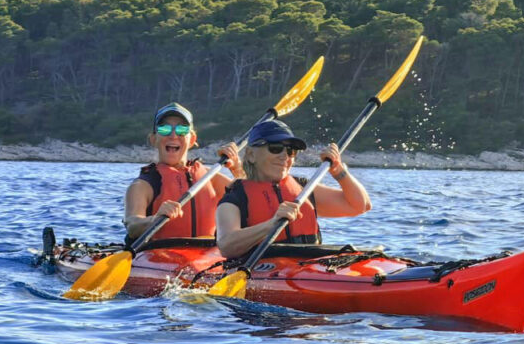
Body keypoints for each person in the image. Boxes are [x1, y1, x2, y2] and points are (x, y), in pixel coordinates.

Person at [215, 118, 371, 258]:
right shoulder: (235, 198)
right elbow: (227, 246)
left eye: (291, 151)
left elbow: (360, 205)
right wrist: (271, 224)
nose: (285, 156)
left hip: (310, 269)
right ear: (251, 155)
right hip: (261, 270)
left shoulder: (304, 189)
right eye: (275, 148)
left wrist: (338, 170)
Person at [123, 102, 243, 244]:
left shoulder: (209, 178)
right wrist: (155, 219)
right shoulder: (142, 185)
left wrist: (237, 169)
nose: (173, 135)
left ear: (192, 139)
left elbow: (251, 200)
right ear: (153, 139)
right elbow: (132, 225)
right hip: (160, 258)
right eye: (165, 129)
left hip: (207, 257)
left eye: (181, 130)